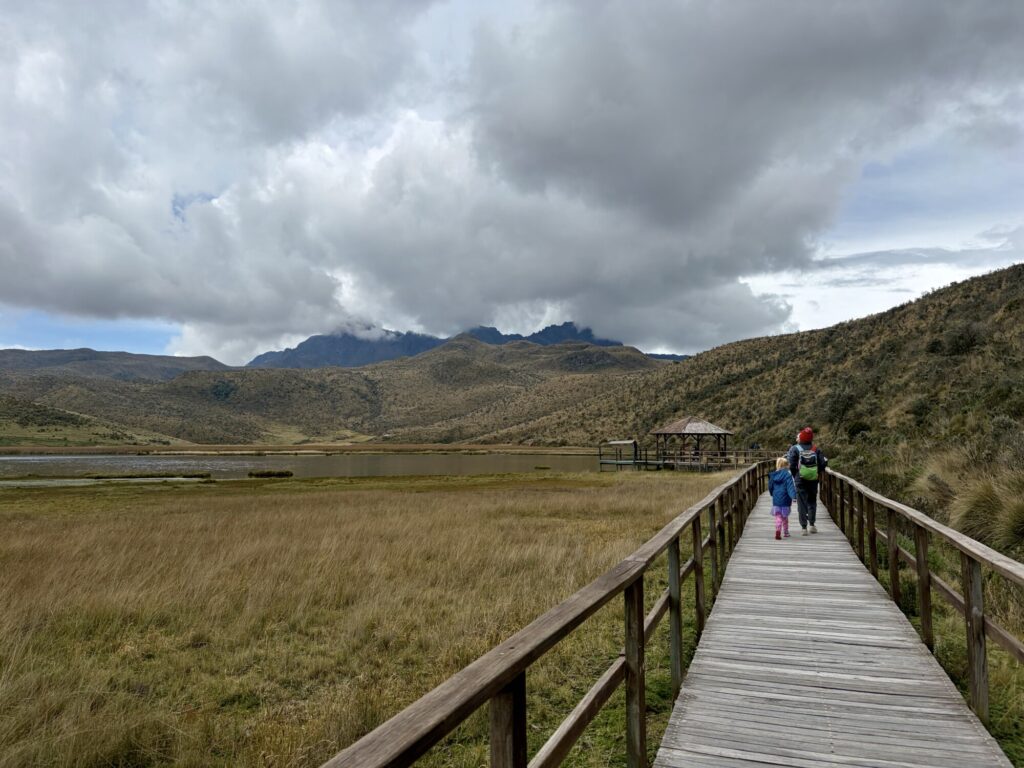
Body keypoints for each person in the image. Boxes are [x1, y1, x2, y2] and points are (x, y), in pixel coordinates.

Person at [788, 427, 828, 535]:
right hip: (813, 480)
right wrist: (816, 472)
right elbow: (823, 464)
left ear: (801, 437)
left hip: (800, 479)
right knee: (812, 501)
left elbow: (791, 465)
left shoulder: (794, 449)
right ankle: (812, 525)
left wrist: (795, 474)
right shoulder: (816, 449)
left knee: (801, 503)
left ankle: (803, 528)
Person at [768, 456, 797, 539]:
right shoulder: (788, 475)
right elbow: (790, 487)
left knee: (778, 517)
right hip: (785, 500)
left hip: (776, 499)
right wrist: (793, 496)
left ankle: (778, 530)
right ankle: (786, 532)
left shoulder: (773, 475)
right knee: (785, 517)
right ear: (785, 466)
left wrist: (772, 493)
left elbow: (770, 486)